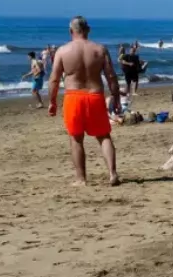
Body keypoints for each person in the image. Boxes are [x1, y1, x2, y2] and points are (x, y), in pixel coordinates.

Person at [48, 16, 121, 186]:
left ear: (70, 31)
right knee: (104, 137)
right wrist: (115, 97)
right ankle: (112, 173)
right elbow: (111, 76)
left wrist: (52, 102)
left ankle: (81, 179)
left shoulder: (62, 51)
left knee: (76, 138)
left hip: (73, 97)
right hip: (95, 96)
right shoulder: (99, 49)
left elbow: (54, 79)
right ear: (88, 30)